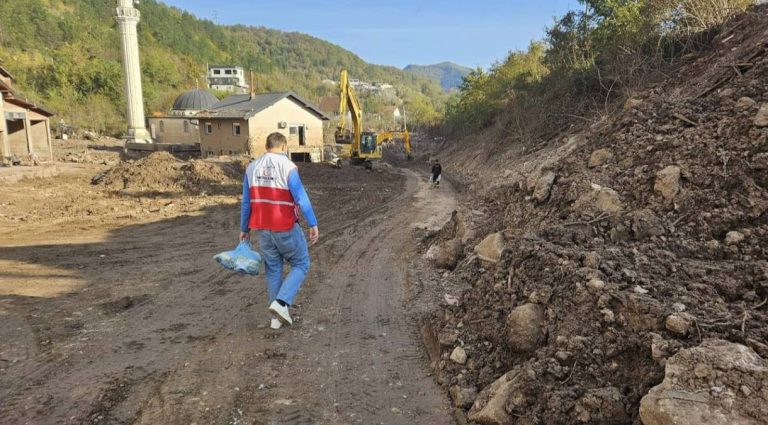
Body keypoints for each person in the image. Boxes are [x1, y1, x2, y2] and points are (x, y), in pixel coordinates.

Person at [240, 132, 319, 330]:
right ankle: (282, 303)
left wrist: (244, 229)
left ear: (266, 147)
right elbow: (301, 197)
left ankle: (276, 321)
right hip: (285, 226)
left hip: (262, 229)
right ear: (284, 148)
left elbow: (246, 203)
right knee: (301, 263)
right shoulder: (288, 167)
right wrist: (312, 223)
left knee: (273, 270)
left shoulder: (251, 168)